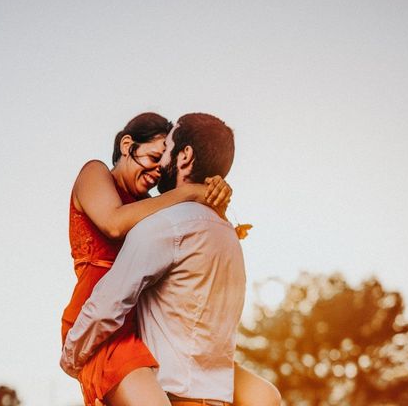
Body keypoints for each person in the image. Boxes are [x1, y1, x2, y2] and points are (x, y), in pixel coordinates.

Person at [61, 113, 281, 406]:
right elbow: (113, 223)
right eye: (154, 156)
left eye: (164, 157)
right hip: (99, 315)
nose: (156, 170)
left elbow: (197, 242)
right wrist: (190, 191)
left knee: (262, 394)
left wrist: (216, 202)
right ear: (127, 145)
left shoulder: (153, 209)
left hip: (131, 316)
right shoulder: (95, 173)